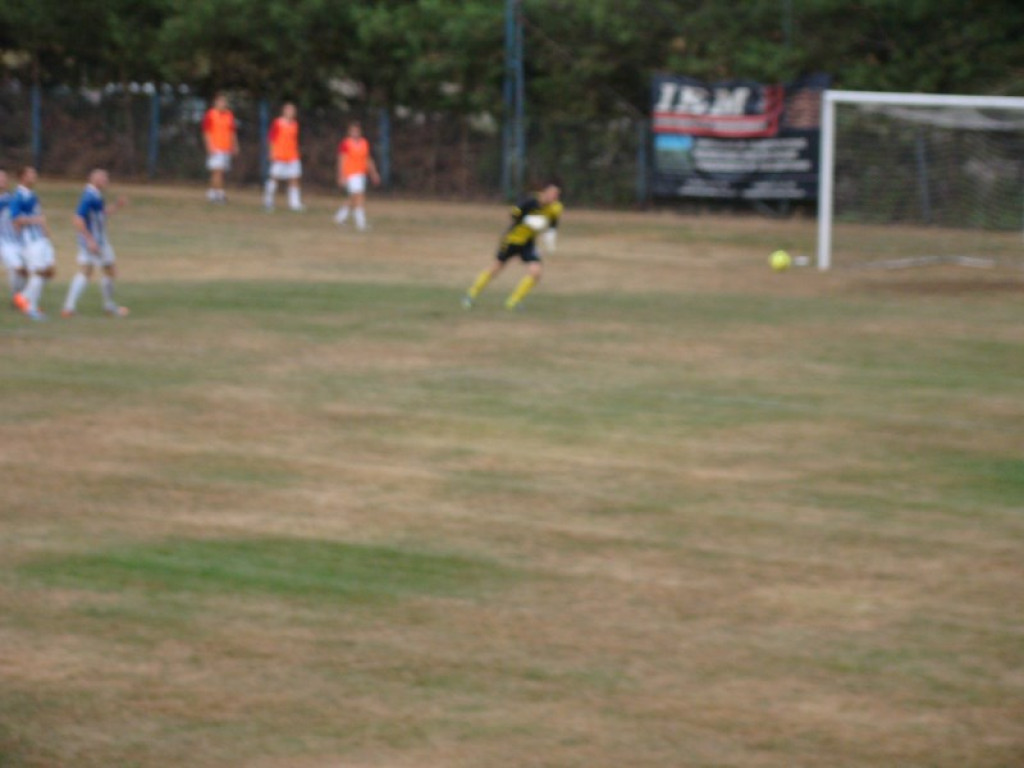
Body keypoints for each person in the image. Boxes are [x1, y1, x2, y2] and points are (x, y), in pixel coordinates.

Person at [462, 180, 563, 311]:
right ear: (544, 192)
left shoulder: (555, 207)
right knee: (496, 268)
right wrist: (529, 221)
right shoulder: (530, 201)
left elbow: (553, 224)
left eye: (557, 195)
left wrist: (550, 239)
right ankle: (470, 295)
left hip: (528, 242)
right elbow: (514, 214)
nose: (555, 197)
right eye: (553, 194)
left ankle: (513, 301)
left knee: (536, 272)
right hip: (512, 240)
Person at [61, 169, 129, 318]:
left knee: (90, 271)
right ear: (95, 179)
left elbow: (102, 214)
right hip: (95, 241)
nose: (107, 181)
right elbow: (77, 219)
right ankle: (108, 307)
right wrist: (90, 240)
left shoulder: (95, 195)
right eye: (104, 178)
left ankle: (69, 308)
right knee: (105, 271)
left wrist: (117, 205)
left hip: (97, 240)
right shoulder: (89, 196)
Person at [10, 167, 55, 321]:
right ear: (22, 177)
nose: (34, 177)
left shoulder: (33, 195)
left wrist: (45, 230)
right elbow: (16, 220)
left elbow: (39, 215)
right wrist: (35, 221)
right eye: (31, 174)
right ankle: (30, 306)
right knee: (38, 272)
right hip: (30, 241)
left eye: (35, 174)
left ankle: (25, 298)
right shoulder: (18, 196)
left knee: (48, 271)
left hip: (41, 239)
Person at [334, 121, 380, 231]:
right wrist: (341, 175)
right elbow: (341, 160)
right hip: (350, 173)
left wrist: (373, 172)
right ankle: (361, 223)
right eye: (353, 131)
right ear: (349, 132)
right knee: (359, 197)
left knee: (354, 198)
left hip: (361, 173)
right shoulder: (345, 143)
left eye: (357, 131)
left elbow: (368, 159)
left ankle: (340, 216)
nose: (355, 133)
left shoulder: (364, 143)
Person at [264, 102, 304, 212]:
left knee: (294, 178)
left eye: (293, 110)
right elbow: (271, 138)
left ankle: (294, 203)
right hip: (279, 155)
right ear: (284, 111)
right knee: (274, 178)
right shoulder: (278, 123)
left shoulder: (295, 124)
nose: (291, 112)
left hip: (292, 156)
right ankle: (268, 201)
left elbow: (294, 140)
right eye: (289, 110)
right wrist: (271, 152)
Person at [201, 93, 238, 203]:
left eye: (224, 102)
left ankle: (212, 193)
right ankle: (220, 194)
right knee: (218, 171)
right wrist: (208, 145)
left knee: (219, 172)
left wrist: (235, 144)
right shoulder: (211, 114)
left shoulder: (229, 115)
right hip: (215, 147)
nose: (222, 104)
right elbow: (206, 132)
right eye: (220, 101)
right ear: (215, 103)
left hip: (226, 147)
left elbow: (232, 131)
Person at [0, 170, 27, 307]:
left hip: (15, 241)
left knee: (22, 270)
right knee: (17, 267)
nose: (3, 180)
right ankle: (17, 298)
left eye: (5, 178)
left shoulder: (12, 199)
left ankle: (17, 297)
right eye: (1, 178)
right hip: (4, 242)